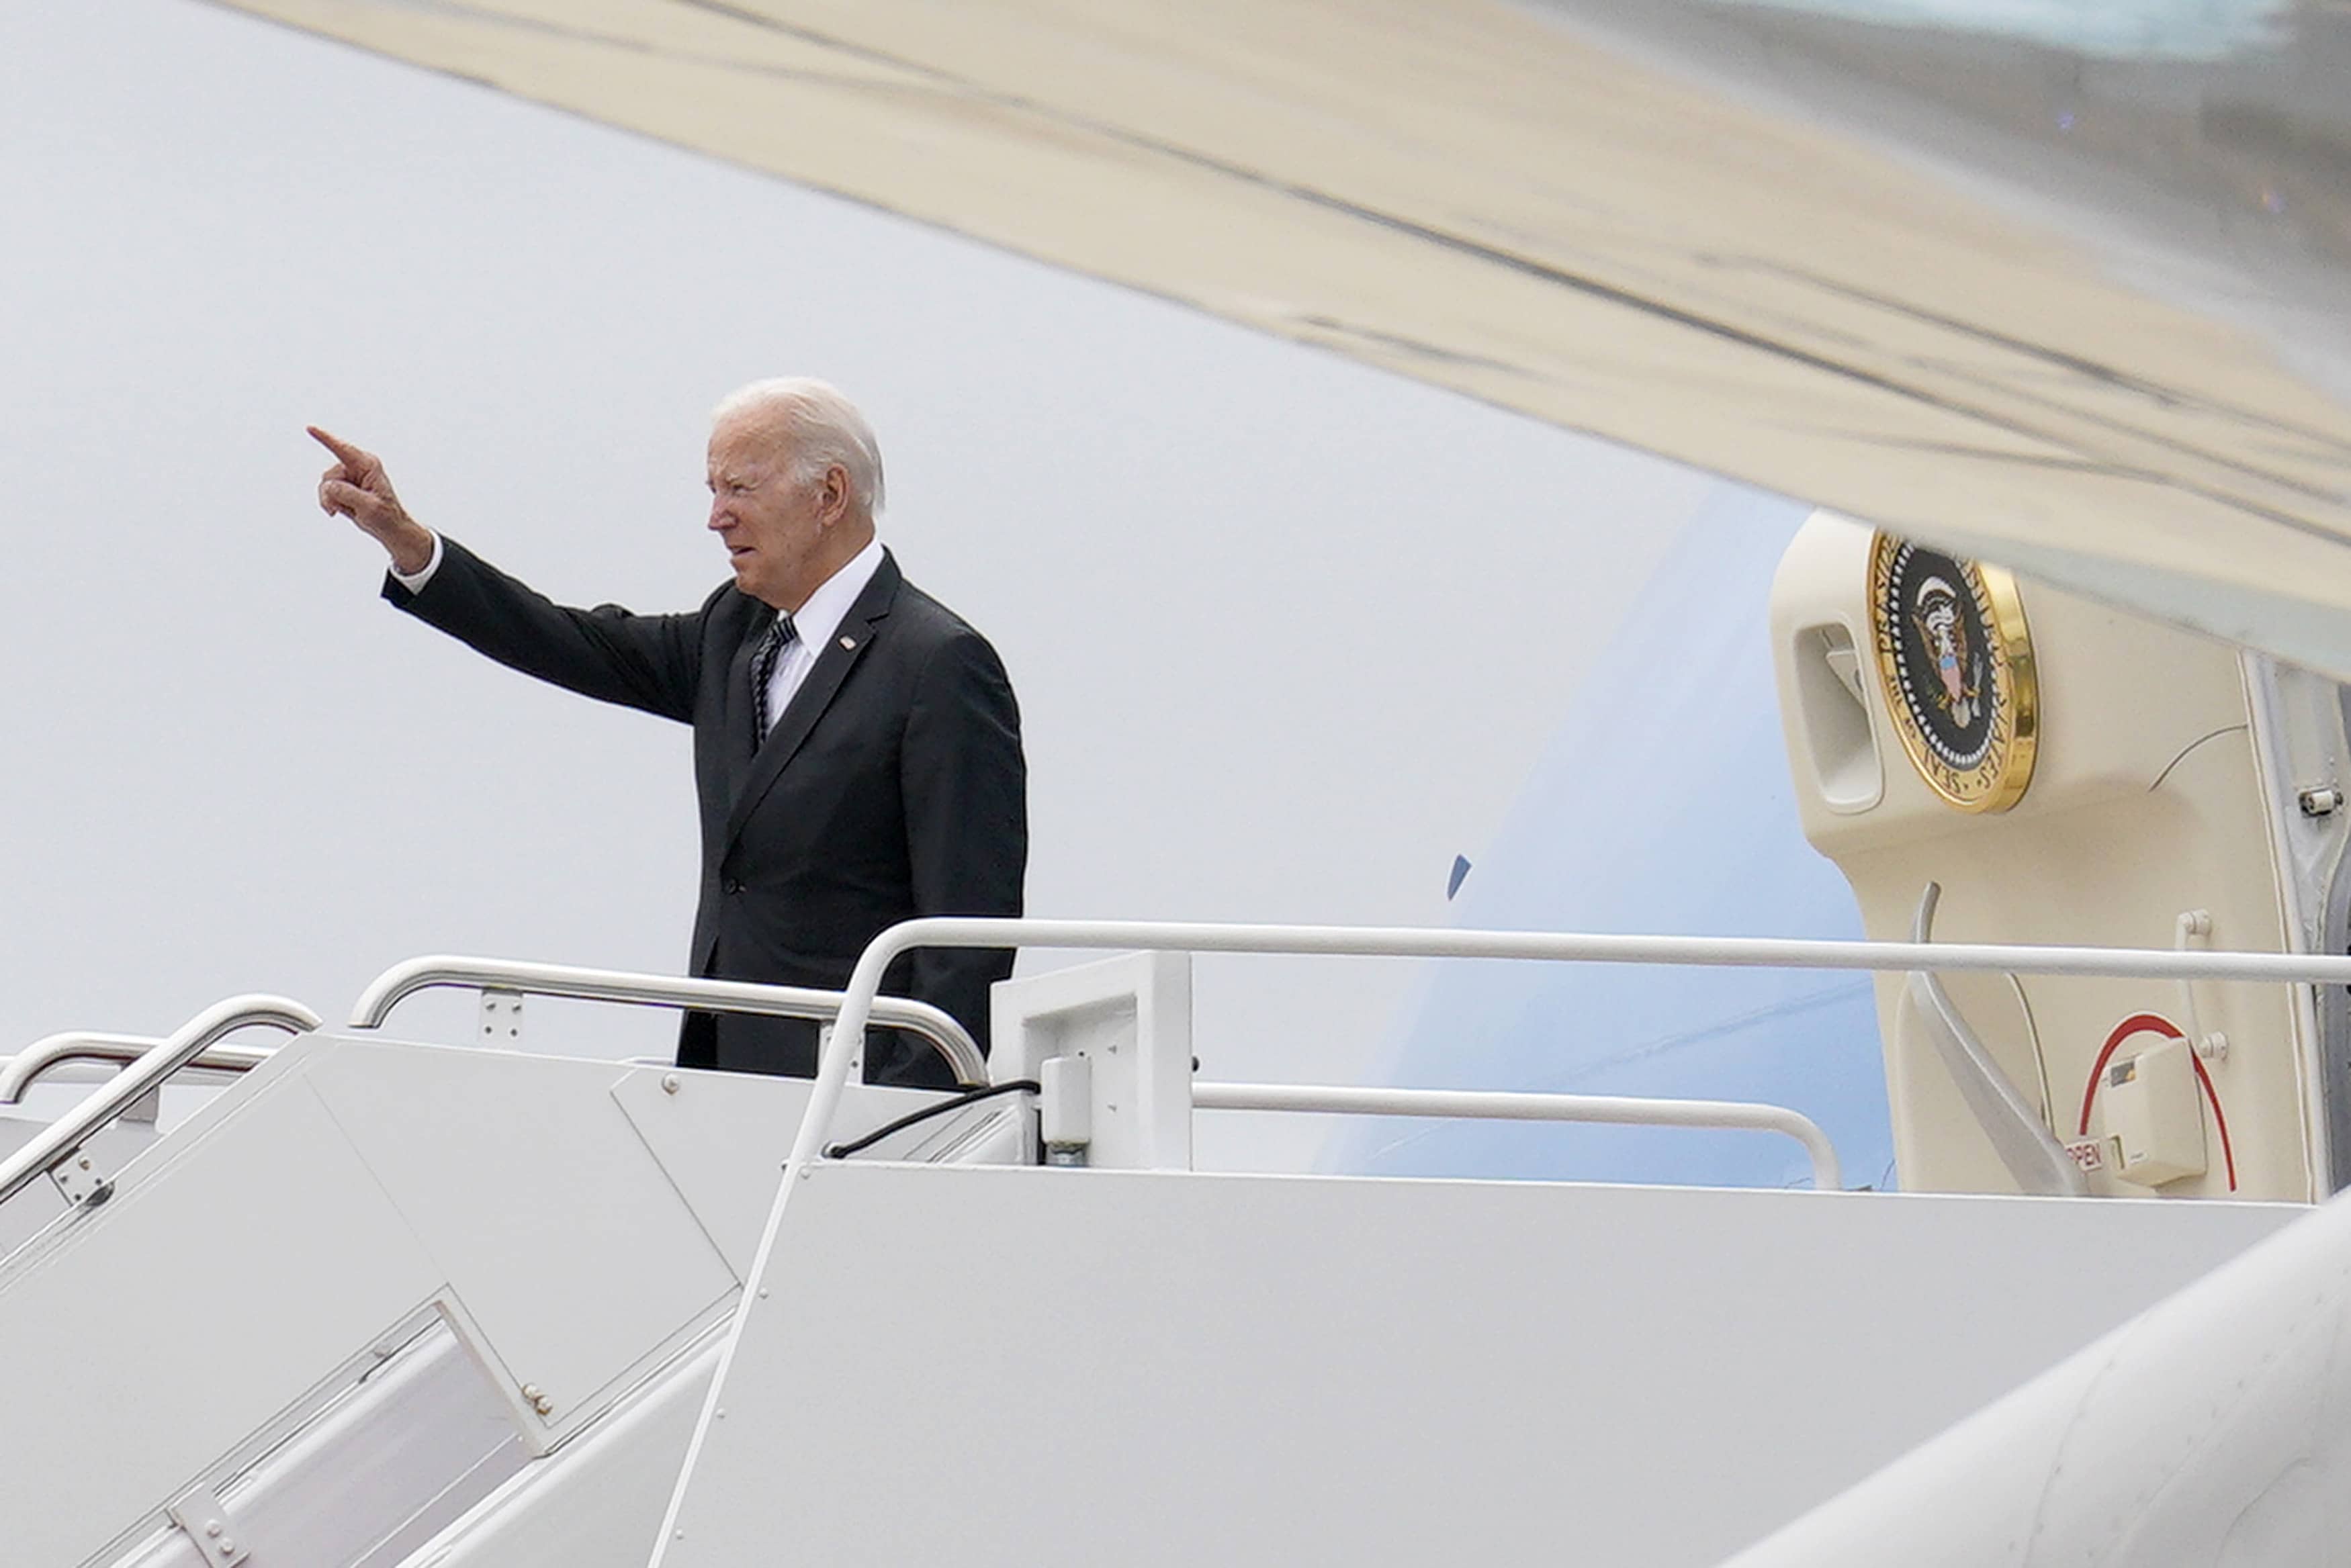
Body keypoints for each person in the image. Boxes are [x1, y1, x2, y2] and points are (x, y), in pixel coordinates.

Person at [309, 379, 1026, 1087]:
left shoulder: (935, 663)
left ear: (830, 495)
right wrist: (409, 544)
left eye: (739, 489)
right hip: (724, 1080)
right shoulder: (736, 633)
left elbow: (968, 930)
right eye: (712, 490)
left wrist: (908, 1108)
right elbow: (575, 642)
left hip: (857, 1097)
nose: (717, 517)